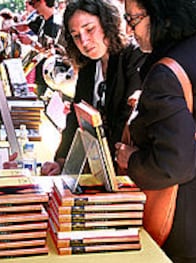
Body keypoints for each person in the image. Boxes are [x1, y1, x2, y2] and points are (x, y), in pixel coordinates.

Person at [115, 0, 196, 263]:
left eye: (133, 20)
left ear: (162, 13)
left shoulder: (166, 71)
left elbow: (172, 165)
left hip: (184, 227)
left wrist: (131, 159)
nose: (130, 31)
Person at [40, 0, 146, 176]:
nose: (84, 41)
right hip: (99, 169)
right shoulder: (89, 66)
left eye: (90, 29)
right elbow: (76, 116)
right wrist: (60, 161)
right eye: (76, 35)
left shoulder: (133, 57)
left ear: (107, 24)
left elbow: (125, 119)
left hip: (125, 171)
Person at [14, 0, 62, 96]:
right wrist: (11, 29)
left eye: (33, 3)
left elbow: (51, 53)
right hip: (43, 74)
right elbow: (25, 26)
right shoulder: (42, 19)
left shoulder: (55, 24)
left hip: (50, 77)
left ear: (42, 2)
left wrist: (31, 43)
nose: (33, 7)